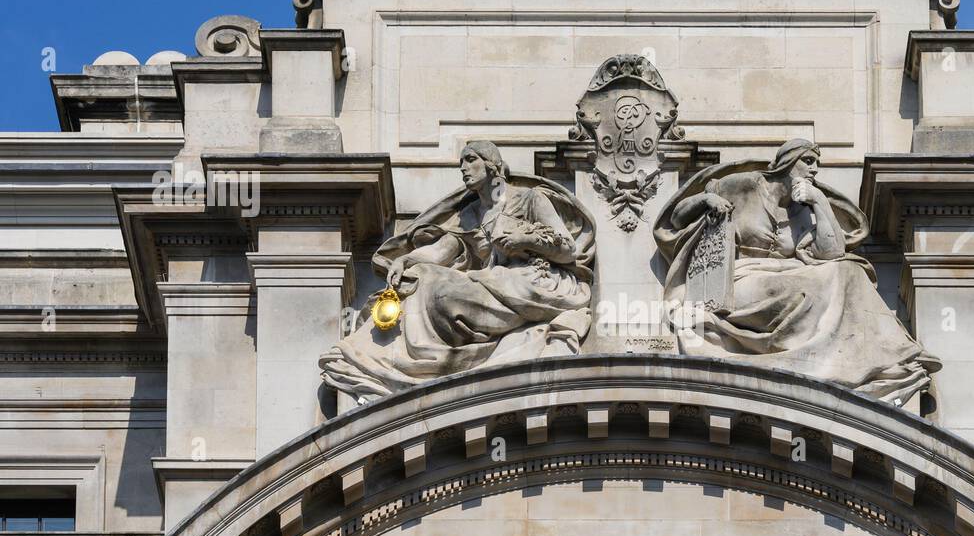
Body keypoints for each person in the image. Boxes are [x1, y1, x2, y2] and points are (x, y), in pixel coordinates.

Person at [653, 138, 939, 403]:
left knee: (850, 272)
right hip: (742, 278)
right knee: (803, 286)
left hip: (787, 275)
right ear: (788, 162)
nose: (814, 170)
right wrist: (706, 200)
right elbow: (676, 219)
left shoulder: (802, 208)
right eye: (809, 161)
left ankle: (887, 357)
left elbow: (833, 253)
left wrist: (819, 202)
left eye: (817, 164)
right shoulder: (742, 185)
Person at [320, 140, 594, 403]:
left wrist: (524, 241)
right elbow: (442, 251)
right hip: (493, 281)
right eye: (461, 162)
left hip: (532, 280)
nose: (463, 168)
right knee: (427, 281)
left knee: (454, 288)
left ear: (492, 165)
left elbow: (567, 248)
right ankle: (419, 361)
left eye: (471, 160)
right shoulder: (471, 214)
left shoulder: (528, 199)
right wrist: (406, 261)